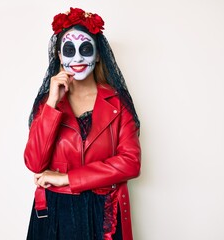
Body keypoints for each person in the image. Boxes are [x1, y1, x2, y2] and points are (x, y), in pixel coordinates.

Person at [24, 7, 141, 240]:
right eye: (69, 50)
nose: (77, 58)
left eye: (85, 49)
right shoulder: (48, 103)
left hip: (104, 213)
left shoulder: (118, 103)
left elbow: (131, 163)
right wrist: (52, 103)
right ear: (59, 56)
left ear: (98, 55)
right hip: (56, 214)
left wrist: (67, 178)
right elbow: (35, 163)